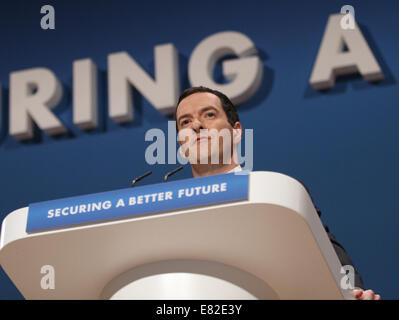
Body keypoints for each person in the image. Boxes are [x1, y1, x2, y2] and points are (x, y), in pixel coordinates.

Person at [174, 86, 381, 300]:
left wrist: (353, 293)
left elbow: (329, 256)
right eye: (186, 122)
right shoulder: (168, 211)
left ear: (236, 131)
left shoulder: (275, 193)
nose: (197, 126)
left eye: (209, 115)